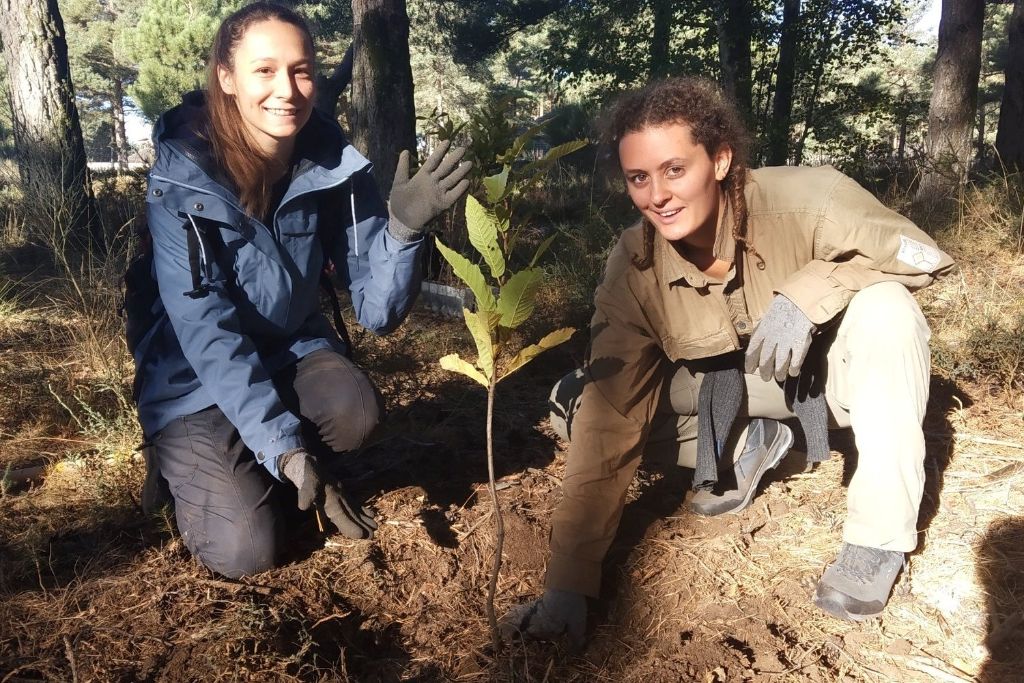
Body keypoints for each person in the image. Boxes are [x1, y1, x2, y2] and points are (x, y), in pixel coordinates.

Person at [501, 77, 954, 645]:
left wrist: (811, 292)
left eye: (674, 170)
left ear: (719, 160)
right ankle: (745, 445)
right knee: (574, 400)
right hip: (738, 386)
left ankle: (877, 540)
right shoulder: (635, 266)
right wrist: (569, 583)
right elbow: (611, 416)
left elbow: (926, 255)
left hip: (833, 382)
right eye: (639, 178)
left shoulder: (811, 199)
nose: (657, 196)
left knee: (889, 308)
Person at [128, 2, 471, 578]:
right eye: (264, 70)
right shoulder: (182, 180)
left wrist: (405, 229)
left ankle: (259, 458)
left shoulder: (332, 163)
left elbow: (377, 312)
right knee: (247, 552)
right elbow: (207, 336)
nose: (286, 89)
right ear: (226, 78)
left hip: (289, 349)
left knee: (355, 411)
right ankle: (183, 457)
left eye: (302, 70)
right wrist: (286, 450)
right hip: (194, 377)